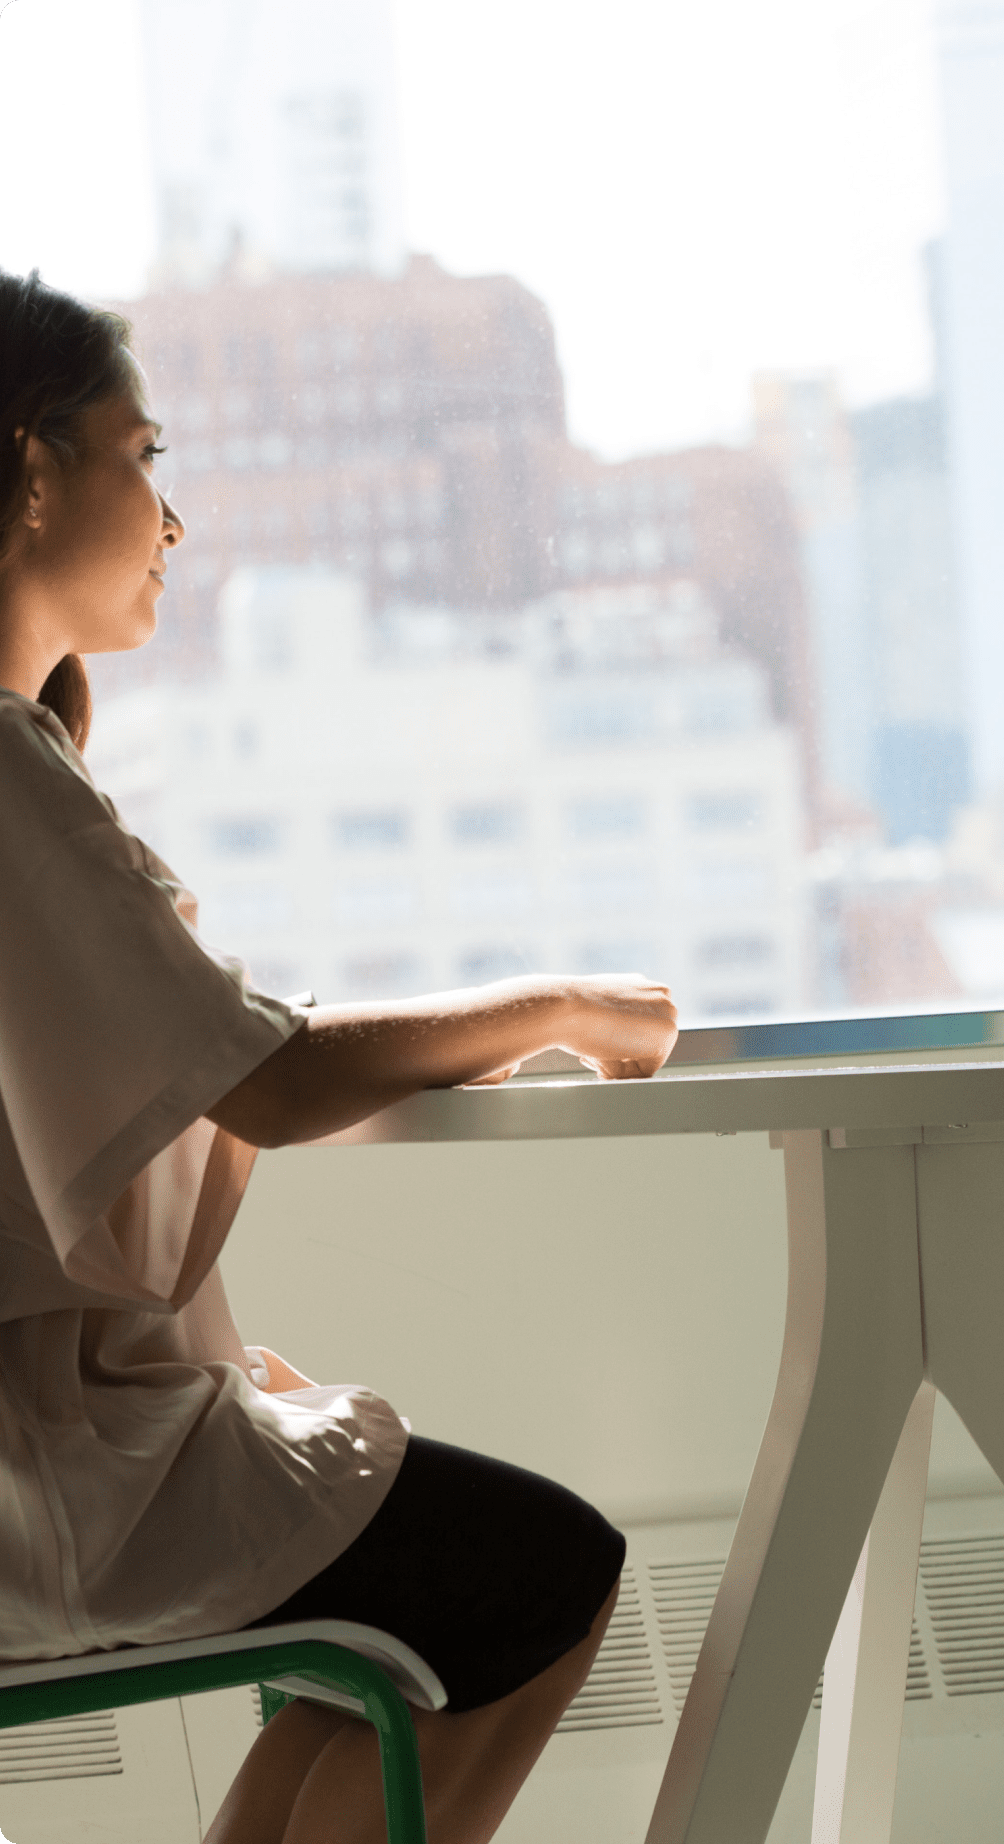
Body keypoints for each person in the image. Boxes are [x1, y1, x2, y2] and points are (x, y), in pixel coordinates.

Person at [0, 267, 680, 1844]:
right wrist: (558, 1004)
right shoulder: (5, 771)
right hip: (48, 1486)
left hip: (62, 1445)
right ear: (32, 468)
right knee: (542, 1575)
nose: (174, 520)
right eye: (145, 455)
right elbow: (272, 1079)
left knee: (387, 1621)